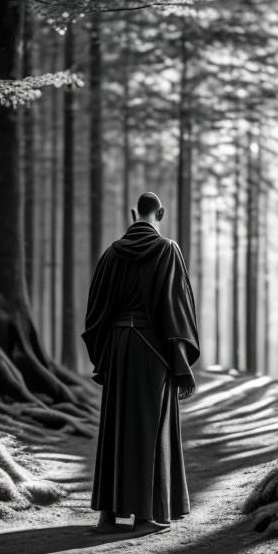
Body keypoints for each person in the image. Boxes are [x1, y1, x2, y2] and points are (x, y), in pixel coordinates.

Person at [82, 192, 200, 533]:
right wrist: (181, 366)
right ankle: (147, 516)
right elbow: (176, 312)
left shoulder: (111, 254)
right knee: (151, 428)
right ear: (160, 212)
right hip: (154, 352)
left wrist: (106, 353)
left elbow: (95, 312)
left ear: (134, 214)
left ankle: (110, 515)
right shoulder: (167, 250)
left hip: (120, 349)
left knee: (118, 427)